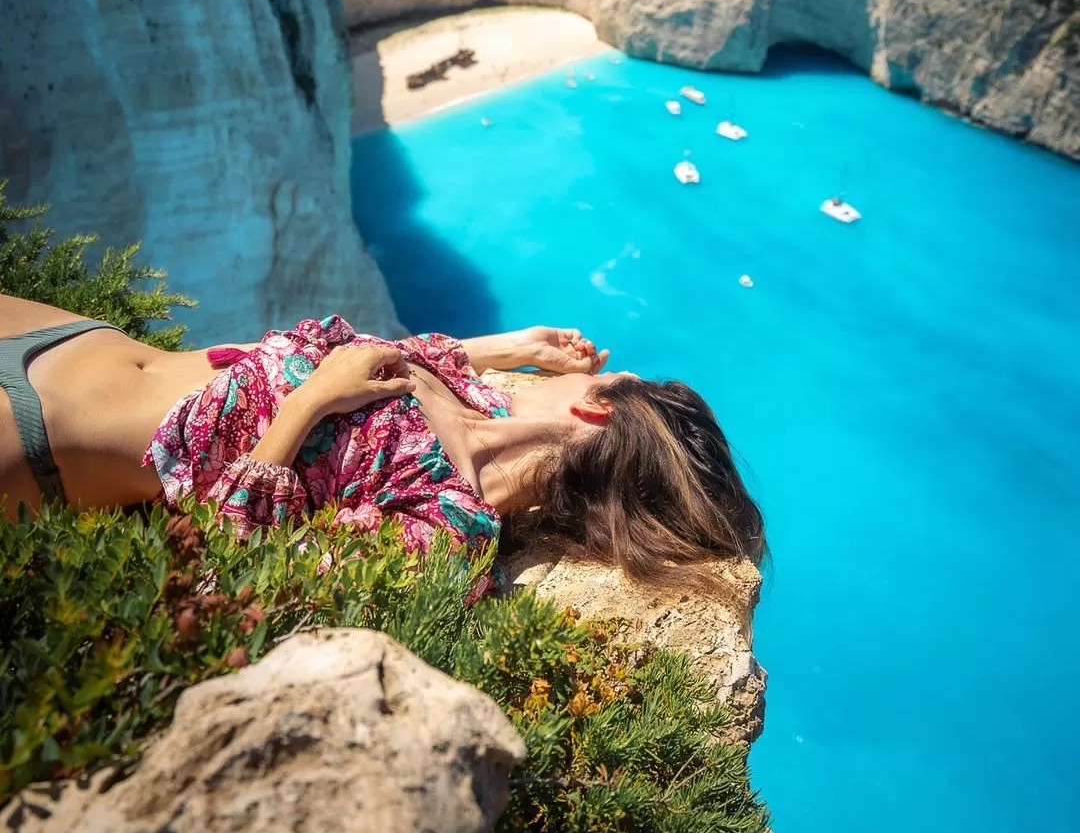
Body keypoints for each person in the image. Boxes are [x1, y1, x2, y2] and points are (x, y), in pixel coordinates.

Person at [0, 293, 764, 588]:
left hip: (46, 434)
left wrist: (307, 403)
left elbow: (232, 559)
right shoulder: (476, 399)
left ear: (599, 406)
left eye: (613, 377)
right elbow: (404, 364)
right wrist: (513, 344)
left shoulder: (447, 522)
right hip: (69, 337)